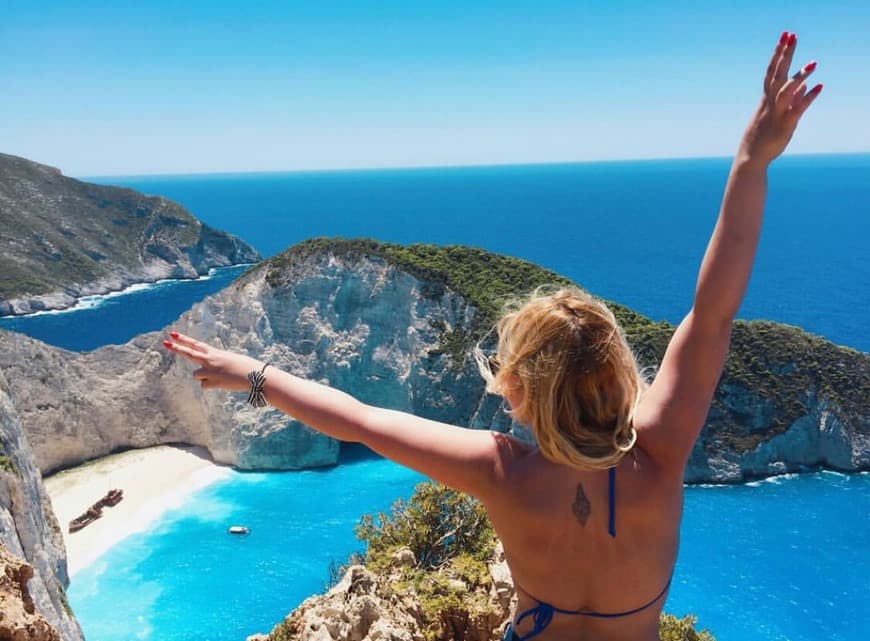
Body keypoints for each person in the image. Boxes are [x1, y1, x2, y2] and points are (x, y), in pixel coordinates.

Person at [164, 32, 821, 641]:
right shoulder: (662, 456)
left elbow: (359, 420)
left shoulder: (504, 472)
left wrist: (251, 372)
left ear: (518, 393)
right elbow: (712, 313)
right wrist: (751, 161)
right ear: (620, 376)